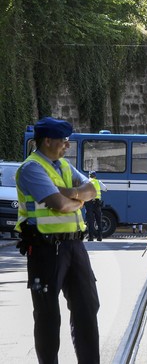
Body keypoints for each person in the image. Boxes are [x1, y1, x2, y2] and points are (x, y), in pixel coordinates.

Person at [14, 117, 100, 363]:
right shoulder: (32, 168)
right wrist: (76, 199)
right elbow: (59, 204)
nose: (67, 146)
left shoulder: (61, 166)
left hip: (74, 245)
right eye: (63, 141)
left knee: (87, 307)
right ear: (47, 140)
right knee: (48, 314)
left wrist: (72, 193)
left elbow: (92, 189)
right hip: (45, 248)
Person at [85, 171, 107, 241]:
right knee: (98, 220)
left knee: (90, 220)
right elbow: (105, 189)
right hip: (97, 203)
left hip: (89, 203)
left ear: (89, 176)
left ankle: (90, 237)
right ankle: (99, 237)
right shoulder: (98, 182)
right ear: (95, 176)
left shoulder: (86, 182)